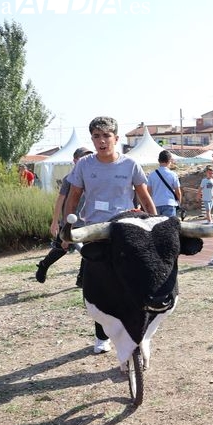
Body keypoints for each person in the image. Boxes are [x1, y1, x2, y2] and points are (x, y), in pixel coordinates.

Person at [64, 116, 157, 354]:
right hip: (95, 231)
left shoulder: (130, 165)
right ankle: (101, 335)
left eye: (106, 136)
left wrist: (156, 226)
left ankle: (138, 329)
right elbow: (73, 198)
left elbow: (145, 198)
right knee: (100, 285)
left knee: (133, 280)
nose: (101, 141)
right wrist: (67, 229)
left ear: (116, 138)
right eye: (96, 136)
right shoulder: (84, 165)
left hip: (126, 229)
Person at [34, 147, 93, 284]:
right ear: (75, 160)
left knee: (88, 250)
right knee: (61, 249)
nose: (86, 160)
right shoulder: (69, 179)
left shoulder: (93, 177)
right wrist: (55, 222)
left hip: (86, 221)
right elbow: (60, 200)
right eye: (82, 157)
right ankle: (43, 265)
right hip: (69, 220)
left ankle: (81, 279)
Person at [146, 149, 182, 217]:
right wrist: (179, 203)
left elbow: (148, 192)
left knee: (157, 226)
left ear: (158, 160)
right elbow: (178, 192)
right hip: (169, 204)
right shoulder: (173, 174)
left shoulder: (152, 175)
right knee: (169, 226)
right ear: (169, 161)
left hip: (155, 204)